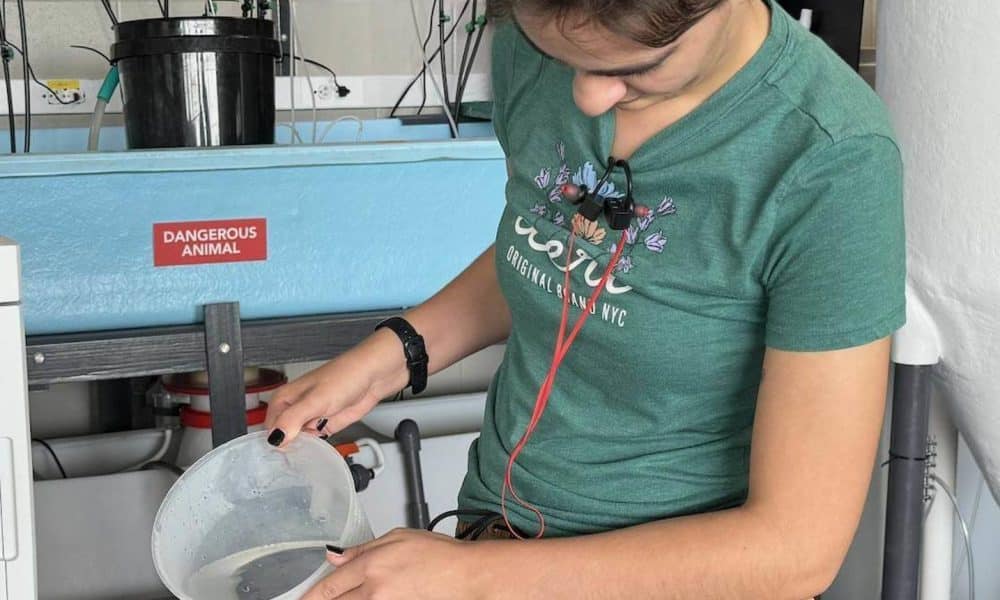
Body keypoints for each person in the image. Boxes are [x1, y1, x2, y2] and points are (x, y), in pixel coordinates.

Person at [267, 0, 905, 597]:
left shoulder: (832, 161)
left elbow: (795, 549)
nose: (587, 95)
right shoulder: (538, 40)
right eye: (567, 60)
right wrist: (394, 353)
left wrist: (477, 579)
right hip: (490, 531)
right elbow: (555, 243)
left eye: (637, 66)